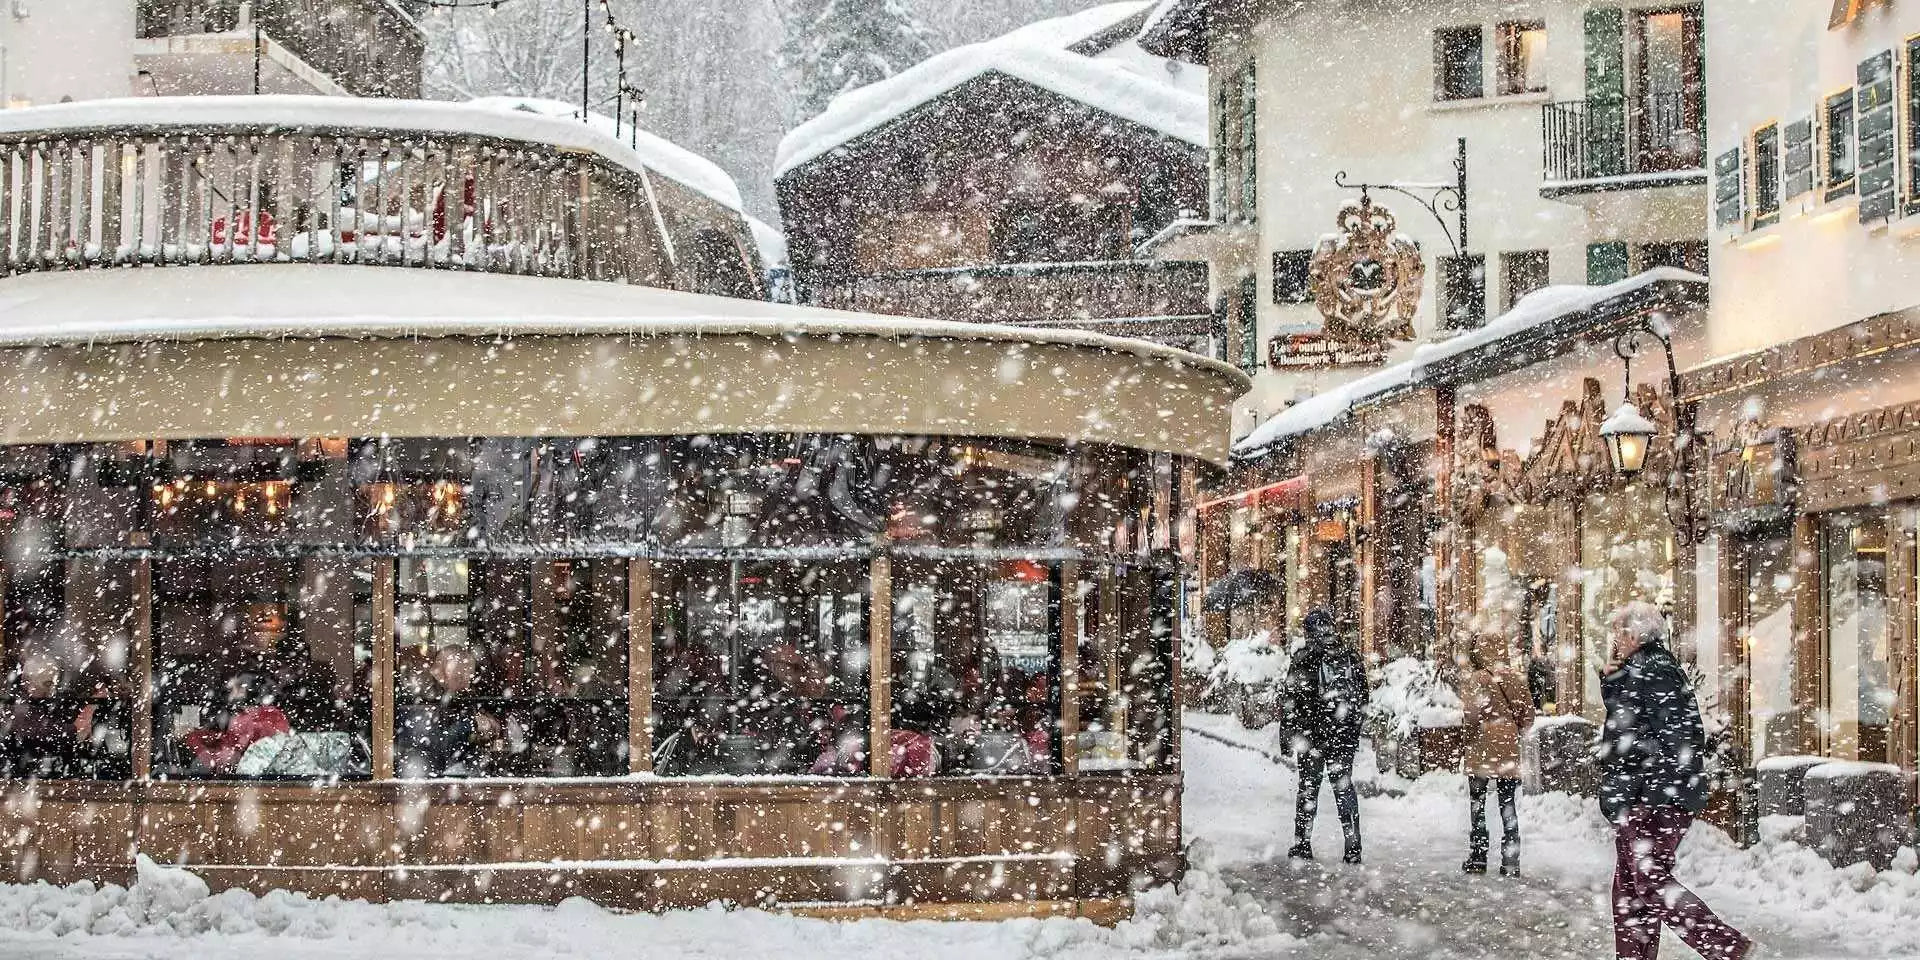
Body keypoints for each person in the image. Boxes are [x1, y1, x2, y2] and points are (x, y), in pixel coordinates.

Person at [1597, 601, 1753, 960]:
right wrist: (1613, 680)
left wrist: (1649, 795)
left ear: (1635, 634)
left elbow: (1682, 740)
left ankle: (1728, 948)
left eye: (1618, 632)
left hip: (1652, 800)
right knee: (1629, 892)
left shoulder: (1656, 670)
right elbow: (1630, 724)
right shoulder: (1640, 669)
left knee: (1647, 882)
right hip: (1640, 798)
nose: (1615, 640)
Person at [1282, 607, 1368, 864]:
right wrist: (1351, 727)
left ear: (1309, 632)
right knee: (1344, 789)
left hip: (1313, 738)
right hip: (1342, 734)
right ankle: (1353, 848)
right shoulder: (1350, 655)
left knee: (1308, 789)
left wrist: (1291, 735)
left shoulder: (1304, 656)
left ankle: (1302, 843)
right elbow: (1363, 695)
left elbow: (1291, 699)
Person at [1456, 631, 1532, 876]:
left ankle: (1478, 856)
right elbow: (1528, 715)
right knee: (1507, 803)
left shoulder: (1476, 679)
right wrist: (1512, 727)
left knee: (1477, 802)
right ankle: (1511, 860)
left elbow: (1471, 715)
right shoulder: (1514, 678)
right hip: (1508, 746)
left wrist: (1468, 739)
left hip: (1481, 746)